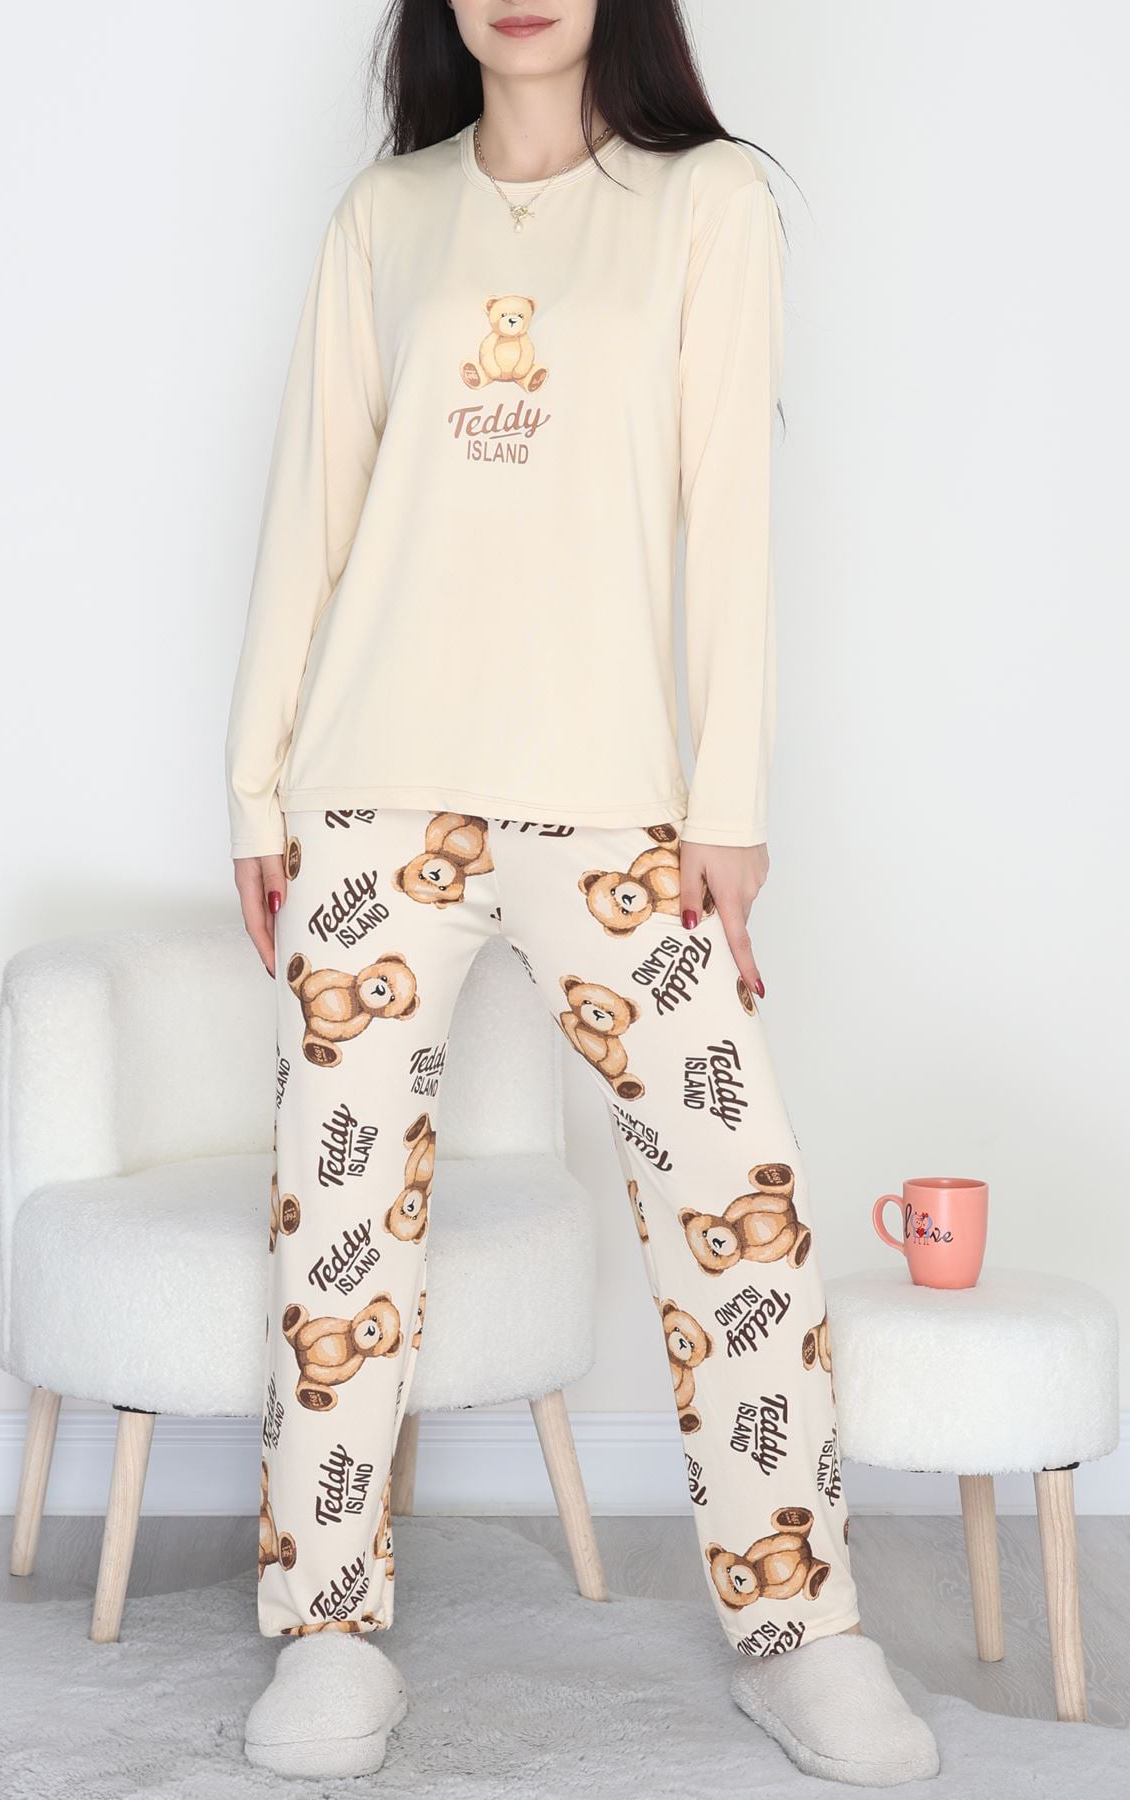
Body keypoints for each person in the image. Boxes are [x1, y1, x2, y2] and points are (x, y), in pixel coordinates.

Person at [225, 0, 941, 1786]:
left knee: (734, 1200)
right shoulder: (385, 217)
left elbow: (730, 512)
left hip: (616, 802)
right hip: (374, 786)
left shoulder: (708, 204)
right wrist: (255, 785)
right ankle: (328, 1626)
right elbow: (310, 508)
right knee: (338, 1213)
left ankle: (802, 1627)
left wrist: (730, 805)